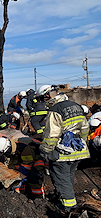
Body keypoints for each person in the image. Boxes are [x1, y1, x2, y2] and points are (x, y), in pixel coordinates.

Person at [38, 84, 90, 214]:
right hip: (79, 151)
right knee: (68, 177)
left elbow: (52, 135)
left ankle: (69, 210)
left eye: (42, 98)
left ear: (47, 95)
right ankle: (63, 199)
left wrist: (45, 150)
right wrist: (81, 143)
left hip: (62, 153)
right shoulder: (75, 106)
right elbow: (85, 128)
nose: (43, 101)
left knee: (62, 180)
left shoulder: (55, 110)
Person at [0, 136, 45, 201]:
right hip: (28, 158)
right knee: (18, 172)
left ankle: (38, 198)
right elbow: (11, 164)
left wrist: (17, 180)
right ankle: (21, 195)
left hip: (40, 158)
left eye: (6, 153)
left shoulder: (25, 148)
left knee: (34, 178)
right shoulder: (12, 145)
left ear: (8, 149)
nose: (6, 155)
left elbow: (26, 166)